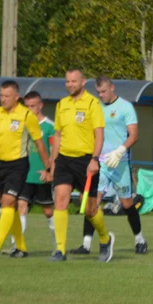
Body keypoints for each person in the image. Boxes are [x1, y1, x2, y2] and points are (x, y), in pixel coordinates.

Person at [73, 77, 148, 256]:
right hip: (99, 163)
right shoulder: (95, 107)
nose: (101, 95)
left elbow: (134, 135)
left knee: (127, 203)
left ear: (112, 88)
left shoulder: (125, 107)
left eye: (104, 91)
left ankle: (140, 239)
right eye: (98, 92)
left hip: (119, 163)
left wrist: (120, 151)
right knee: (93, 202)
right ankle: (86, 244)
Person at [0, 81, 51, 259]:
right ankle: (21, 247)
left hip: (19, 165)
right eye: (1, 96)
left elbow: (40, 144)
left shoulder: (26, 115)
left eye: (7, 96)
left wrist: (48, 167)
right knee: (11, 206)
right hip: (0, 164)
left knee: (8, 202)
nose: (3, 99)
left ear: (16, 97)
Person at [48, 69, 112, 262]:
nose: (70, 85)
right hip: (64, 160)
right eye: (67, 81)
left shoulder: (93, 103)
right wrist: (52, 163)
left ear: (83, 82)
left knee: (90, 210)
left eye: (74, 81)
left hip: (86, 161)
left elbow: (99, 134)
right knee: (60, 201)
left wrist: (94, 159)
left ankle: (105, 238)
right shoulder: (62, 104)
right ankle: (60, 250)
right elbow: (57, 136)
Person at [16, 91, 57, 253]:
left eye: (32, 106)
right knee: (21, 206)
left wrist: (50, 171)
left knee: (48, 211)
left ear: (40, 105)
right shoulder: (23, 125)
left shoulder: (50, 127)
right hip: (25, 173)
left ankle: (57, 243)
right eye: (26, 106)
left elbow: (54, 151)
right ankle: (18, 246)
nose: (29, 109)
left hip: (41, 174)